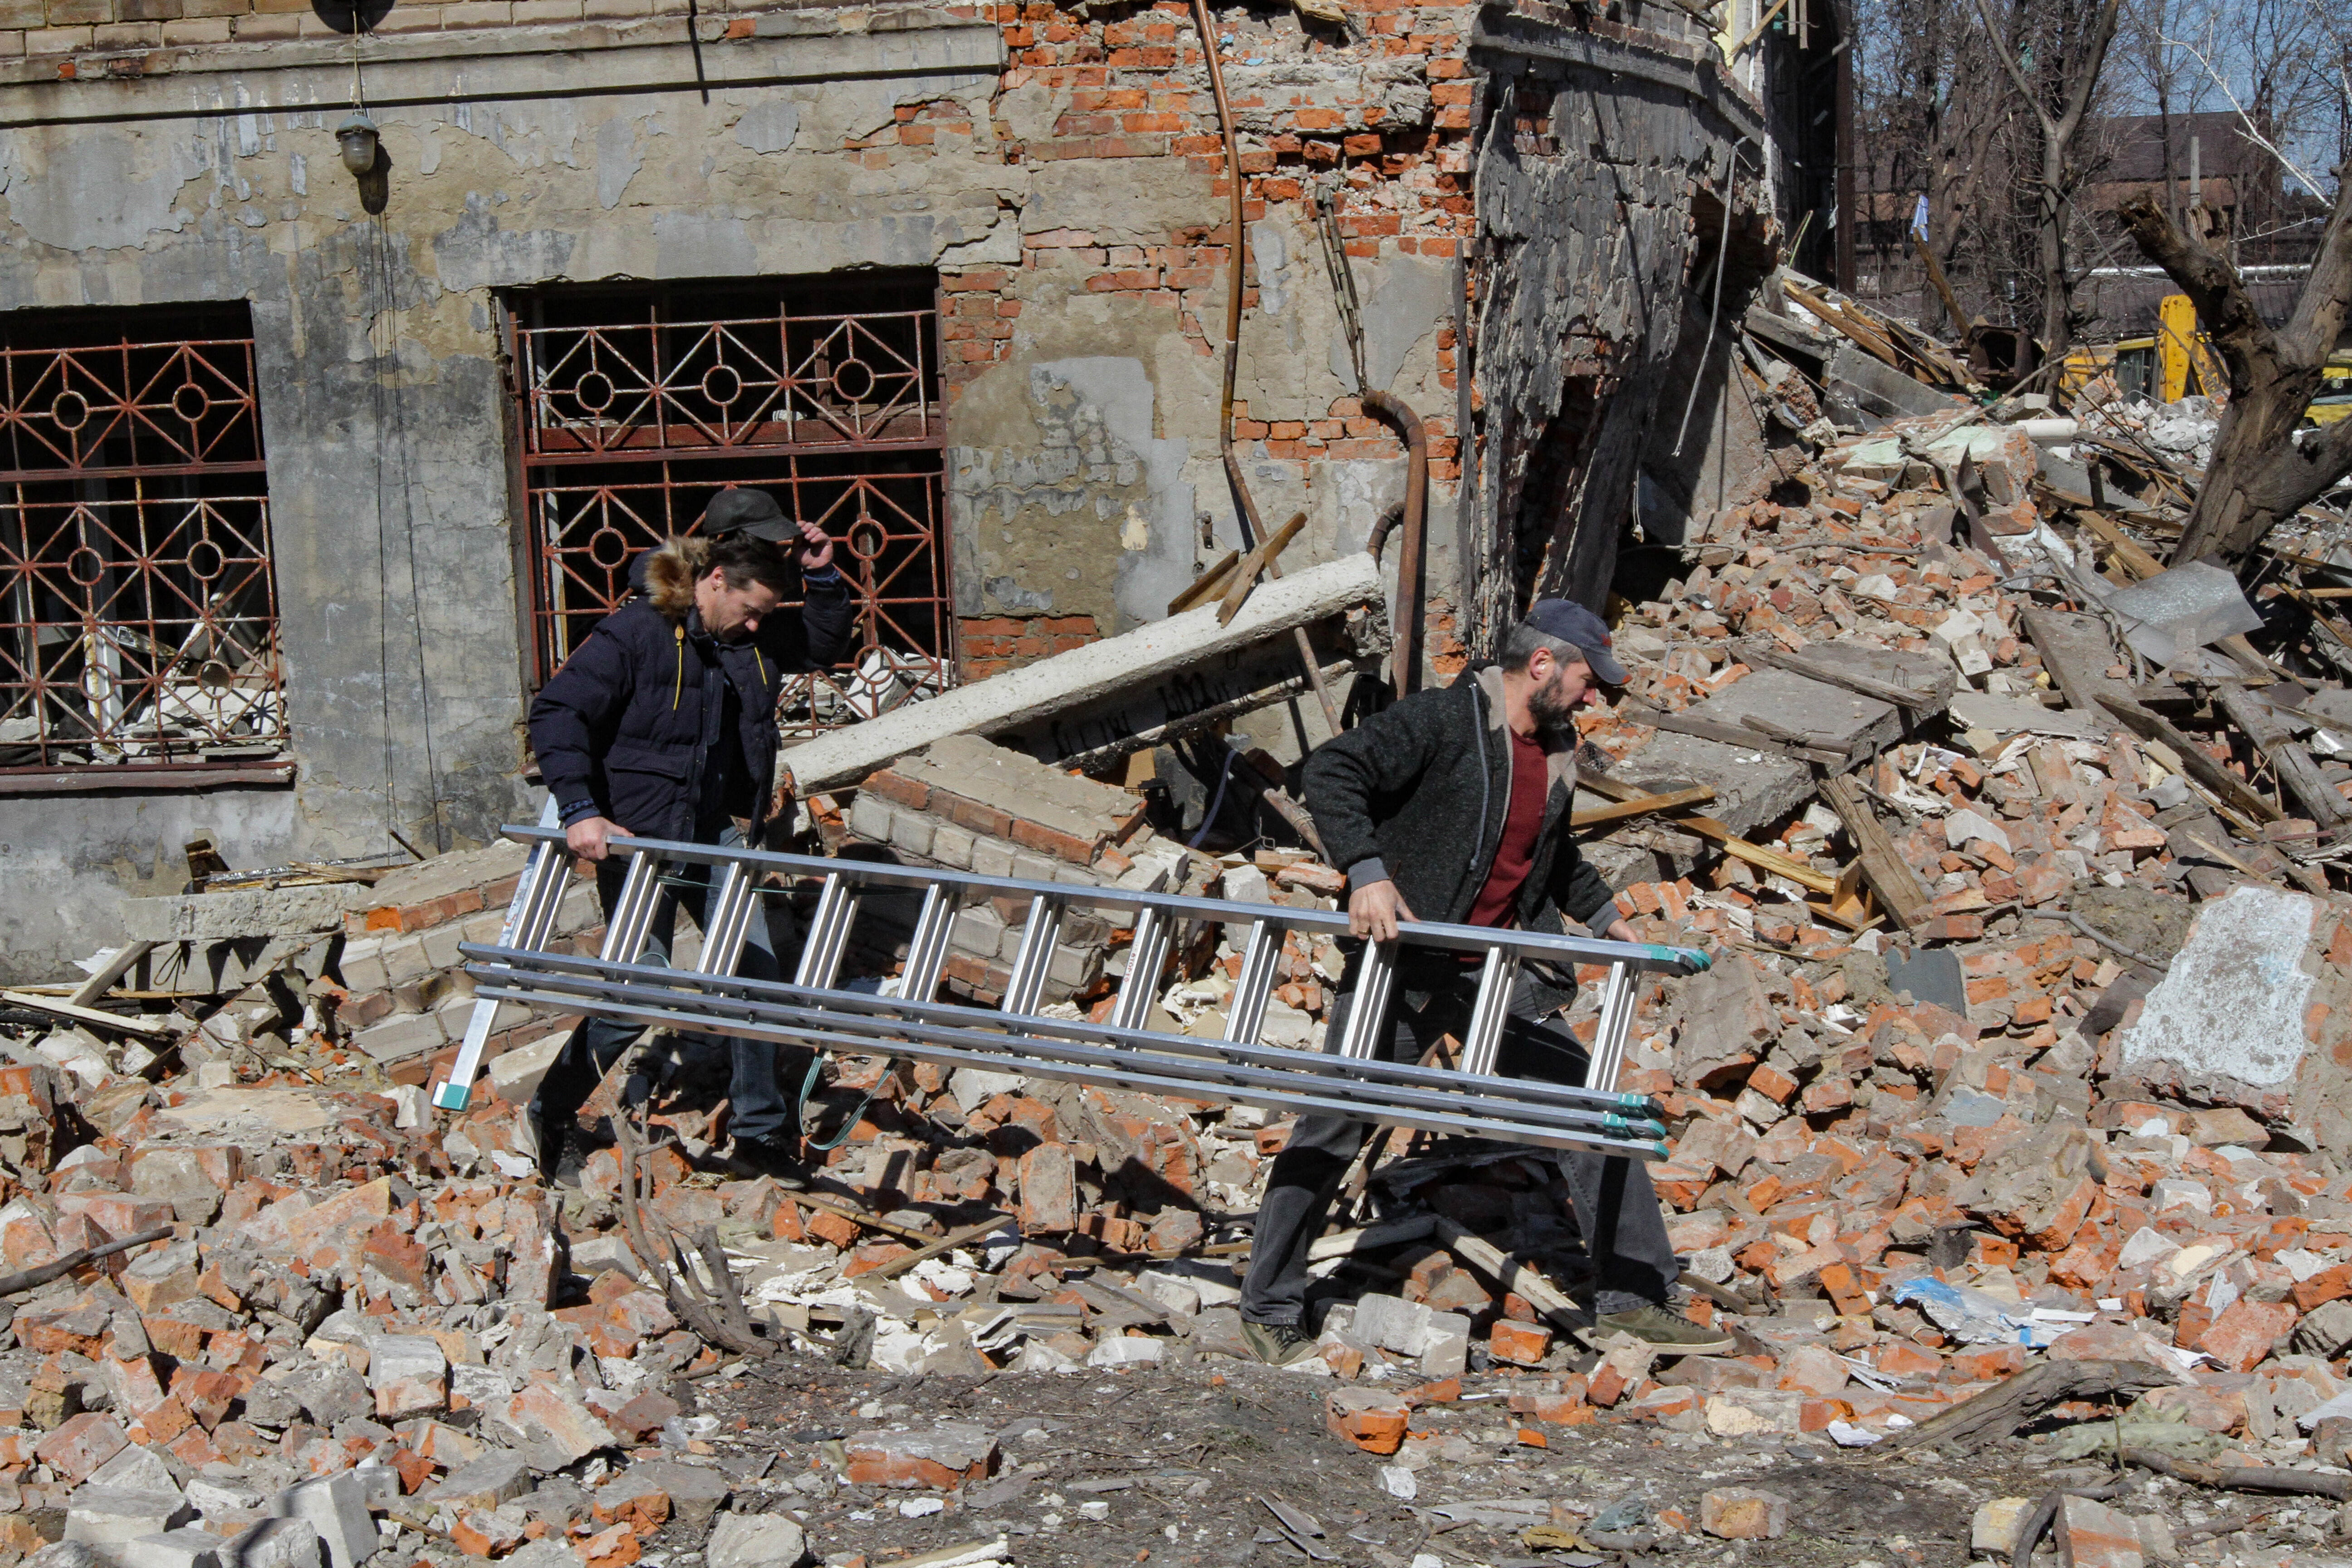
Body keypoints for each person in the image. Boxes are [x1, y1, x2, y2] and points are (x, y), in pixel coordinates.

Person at [1237, 598, 1735, 1364]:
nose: (1592, 696)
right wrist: (1365, 872)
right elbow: (1334, 771)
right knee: (1335, 1122)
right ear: (1542, 665)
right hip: (1405, 963)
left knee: (1592, 1114)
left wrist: (1604, 917)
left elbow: (1549, 852)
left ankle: (1635, 1299)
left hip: (1508, 970)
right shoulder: (1441, 721)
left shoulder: (1557, 746)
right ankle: (1269, 1305)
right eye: (1585, 678)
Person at [526, 488, 853, 1188]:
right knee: (639, 988)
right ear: (713, 580)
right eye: (751, 609)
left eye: (766, 613)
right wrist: (580, 808)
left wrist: (822, 577)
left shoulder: (744, 639)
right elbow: (556, 713)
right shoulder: (638, 633)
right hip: (635, 838)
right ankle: (551, 1112)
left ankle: (760, 1134)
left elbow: (825, 645)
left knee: (756, 977)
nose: (759, 625)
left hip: (711, 834)